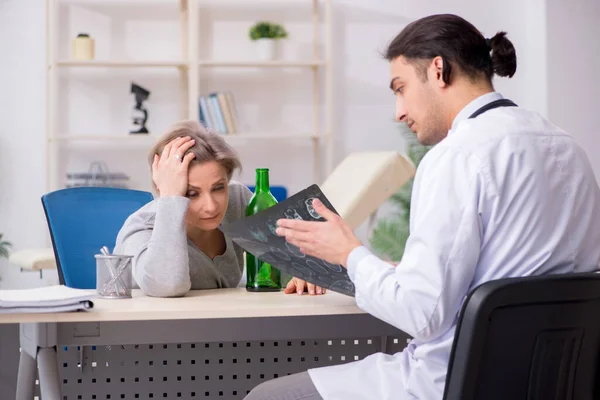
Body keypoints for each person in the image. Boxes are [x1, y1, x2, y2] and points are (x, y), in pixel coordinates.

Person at [244, 13, 600, 400]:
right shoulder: (568, 147)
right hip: (549, 382)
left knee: (267, 396)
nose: (398, 111)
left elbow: (422, 315)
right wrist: (399, 271)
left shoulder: (456, 156)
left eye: (400, 88)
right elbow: (521, 270)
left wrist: (349, 253)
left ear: (438, 69)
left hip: (451, 382)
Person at [114, 120, 326, 297]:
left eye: (218, 188)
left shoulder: (238, 199)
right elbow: (166, 286)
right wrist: (170, 198)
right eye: (191, 193)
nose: (211, 206)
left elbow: (293, 252)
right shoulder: (141, 228)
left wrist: (300, 270)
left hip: (224, 330)